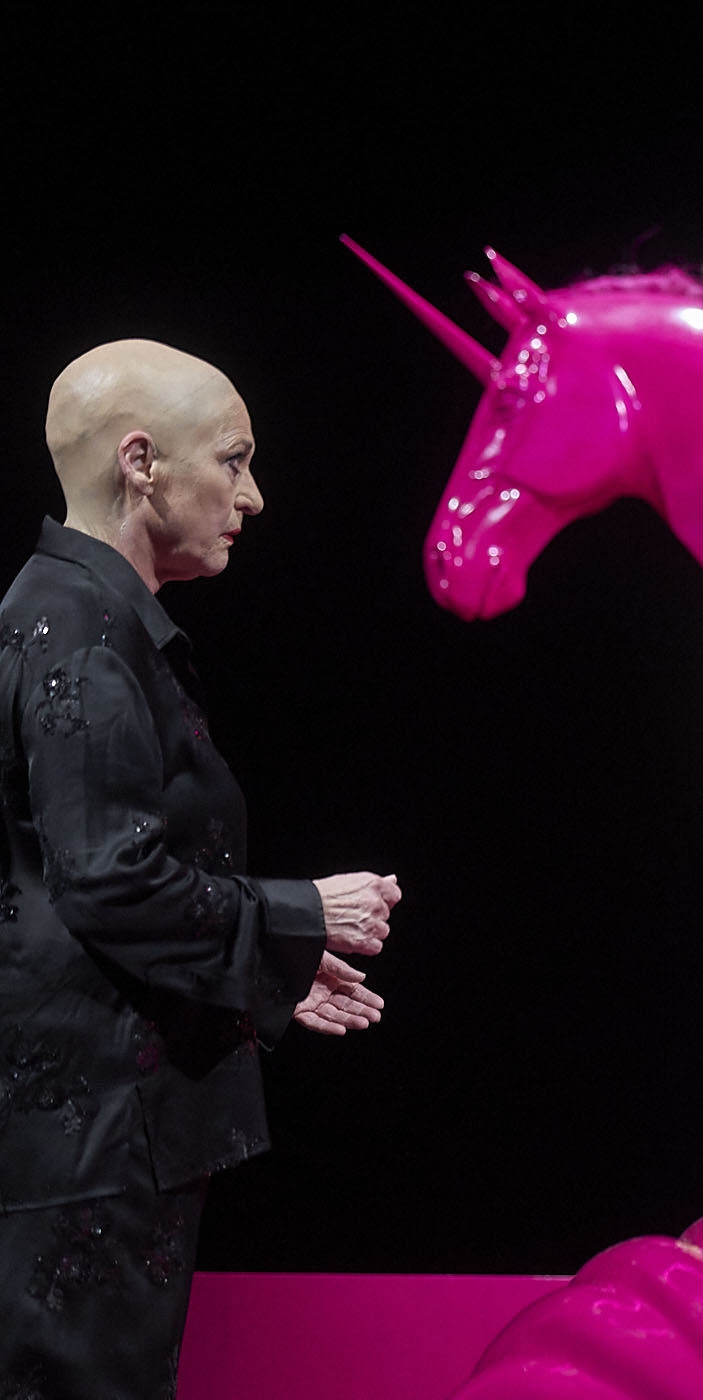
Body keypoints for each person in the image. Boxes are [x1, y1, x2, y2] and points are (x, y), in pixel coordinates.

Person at [1, 340, 401, 1395]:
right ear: (140, 462)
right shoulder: (82, 630)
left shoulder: (86, 616)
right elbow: (108, 879)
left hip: (102, 1125)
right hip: (89, 1140)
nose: (252, 496)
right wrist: (300, 913)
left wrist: (269, 960)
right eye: (233, 460)